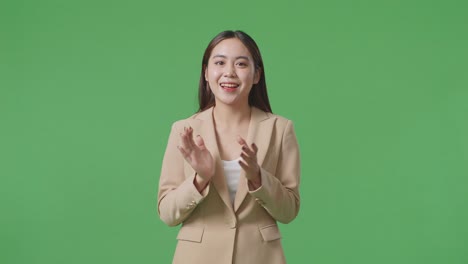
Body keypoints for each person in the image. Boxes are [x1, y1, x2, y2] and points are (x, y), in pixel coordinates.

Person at [157, 30, 300, 264]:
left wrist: (258, 177)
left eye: (241, 64)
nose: (229, 73)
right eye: (220, 62)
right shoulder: (183, 131)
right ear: (206, 72)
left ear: (256, 75)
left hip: (260, 257)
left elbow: (289, 211)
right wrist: (200, 178)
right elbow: (167, 213)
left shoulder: (280, 129)